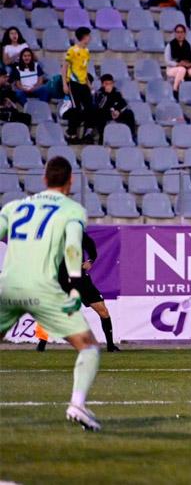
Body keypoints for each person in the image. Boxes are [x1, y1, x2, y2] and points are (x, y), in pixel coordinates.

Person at [0, 157, 103, 431]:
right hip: (43, 288)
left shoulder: (14, 207)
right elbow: (72, 248)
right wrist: (74, 285)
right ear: (70, 182)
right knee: (89, 346)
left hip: (7, 286)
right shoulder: (73, 210)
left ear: (44, 179)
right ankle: (77, 404)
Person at [35, 232, 121, 353]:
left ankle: (111, 346)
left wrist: (90, 260)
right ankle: (42, 343)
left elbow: (91, 247)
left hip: (80, 278)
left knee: (103, 310)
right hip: (61, 279)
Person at [62, 27, 96, 144]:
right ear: (84, 37)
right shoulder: (72, 50)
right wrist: (64, 84)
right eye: (89, 36)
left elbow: (84, 69)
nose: (90, 38)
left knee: (90, 108)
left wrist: (88, 84)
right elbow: (65, 67)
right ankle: (71, 133)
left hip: (83, 84)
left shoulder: (86, 51)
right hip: (73, 84)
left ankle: (87, 134)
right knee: (76, 109)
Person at [94, 74, 136, 145]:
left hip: (115, 113)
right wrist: (108, 94)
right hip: (104, 113)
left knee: (129, 113)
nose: (109, 85)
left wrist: (118, 111)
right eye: (106, 84)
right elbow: (100, 106)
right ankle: (102, 138)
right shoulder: (99, 93)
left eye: (111, 83)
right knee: (99, 115)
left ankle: (131, 136)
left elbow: (123, 103)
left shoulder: (116, 92)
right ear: (102, 84)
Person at [165, 24, 191, 95]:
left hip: (187, 67)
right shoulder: (170, 45)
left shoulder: (189, 45)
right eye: (178, 32)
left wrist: (190, 65)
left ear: (185, 33)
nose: (180, 34)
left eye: (182, 32)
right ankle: (175, 90)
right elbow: (167, 61)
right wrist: (178, 64)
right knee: (181, 69)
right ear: (175, 33)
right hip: (173, 68)